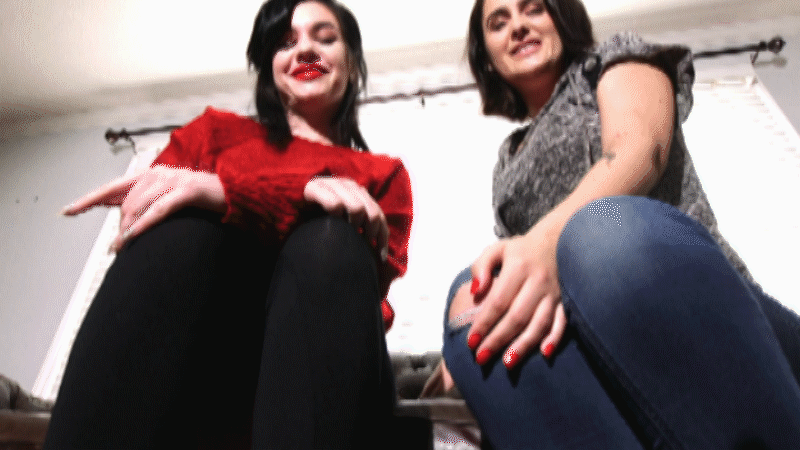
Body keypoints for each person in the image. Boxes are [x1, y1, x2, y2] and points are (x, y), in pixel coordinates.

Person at [44, 0, 412, 448]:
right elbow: (147, 240)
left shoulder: (383, 175)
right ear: (269, 68)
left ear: (352, 63)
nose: (304, 50)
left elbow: (357, 292)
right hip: (202, 367)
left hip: (316, 379)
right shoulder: (212, 134)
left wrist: (227, 192)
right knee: (181, 234)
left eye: (325, 38)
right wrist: (294, 194)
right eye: (285, 43)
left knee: (331, 241)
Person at [437, 0, 800, 448]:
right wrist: (468, 333)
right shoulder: (508, 160)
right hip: (585, 347)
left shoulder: (612, 60)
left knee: (599, 230)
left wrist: (548, 246)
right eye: (498, 22)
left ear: (561, 18)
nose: (517, 27)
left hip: (704, 317)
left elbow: (640, 149)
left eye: (533, 9)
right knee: (468, 297)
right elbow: (517, 269)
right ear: (488, 57)